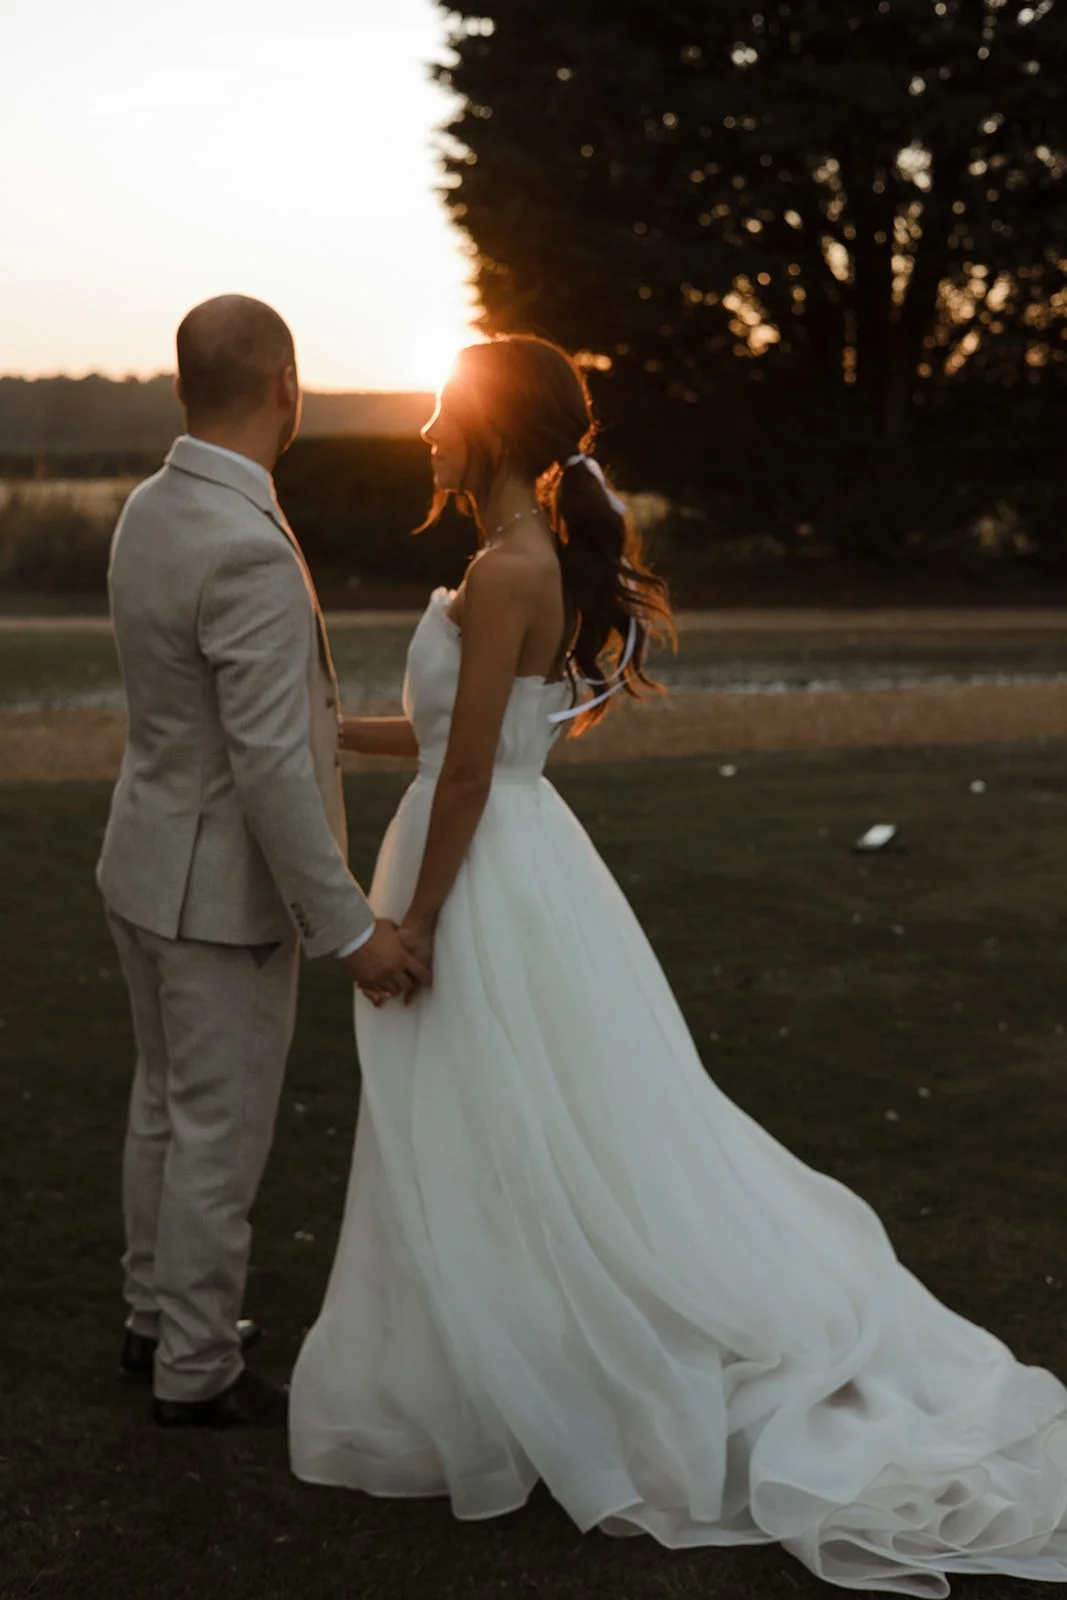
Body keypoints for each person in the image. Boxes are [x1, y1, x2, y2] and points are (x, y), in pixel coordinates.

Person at [288, 335, 1067, 1594]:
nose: (427, 430)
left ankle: (547, 1374)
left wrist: (417, 921)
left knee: (508, 1128)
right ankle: (493, 1363)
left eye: (441, 411)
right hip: (507, 860)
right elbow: (448, 740)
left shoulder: (504, 571)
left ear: (490, 432)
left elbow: (474, 771)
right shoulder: (513, 565)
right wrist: (324, 733)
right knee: (505, 1129)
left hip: (480, 878)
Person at [98, 295, 429, 1429]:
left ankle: (155, 1319)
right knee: (217, 1132)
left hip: (140, 863)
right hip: (215, 898)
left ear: (183, 386)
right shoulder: (242, 542)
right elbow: (272, 770)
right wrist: (348, 926)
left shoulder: (149, 506)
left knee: (164, 1106)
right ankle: (196, 1366)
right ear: (286, 384)